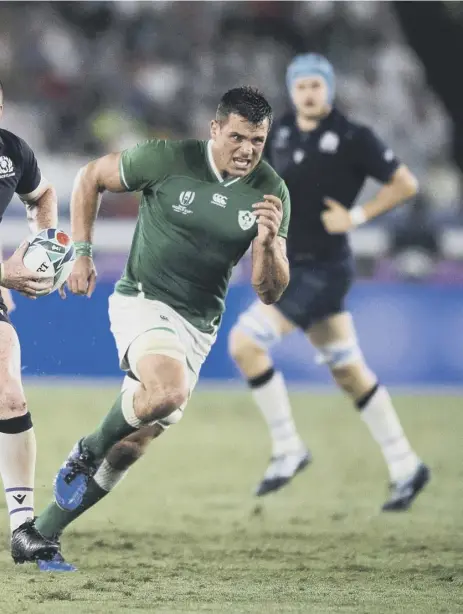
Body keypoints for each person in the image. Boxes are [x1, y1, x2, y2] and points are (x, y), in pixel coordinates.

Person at [13, 86, 291, 570]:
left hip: (198, 327)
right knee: (166, 392)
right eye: (238, 137)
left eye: (258, 140)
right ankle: (85, 449)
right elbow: (89, 177)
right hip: (143, 299)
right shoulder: (167, 158)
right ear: (215, 129)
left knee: (130, 447)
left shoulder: (271, 192)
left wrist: (268, 243)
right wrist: (81, 253)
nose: (247, 149)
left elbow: (270, 291)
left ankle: (39, 535)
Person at [228, 54, 430, 510]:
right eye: (301, 86)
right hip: (290, 262)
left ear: (330, 89)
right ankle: (406, 464)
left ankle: (287, 448)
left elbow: (405, 183)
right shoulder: (277, 134)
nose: (309, 93)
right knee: (349, 370)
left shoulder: (354, 137)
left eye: (317, 84)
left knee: (245, 342)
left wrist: (357, 215)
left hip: (322, 269)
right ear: (292, 91)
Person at [0, 80, 60, 563]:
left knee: (9, 390)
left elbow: (42, 196)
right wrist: (5, 274)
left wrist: (37, 250)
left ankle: (22, 528)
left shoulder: (12, 151)